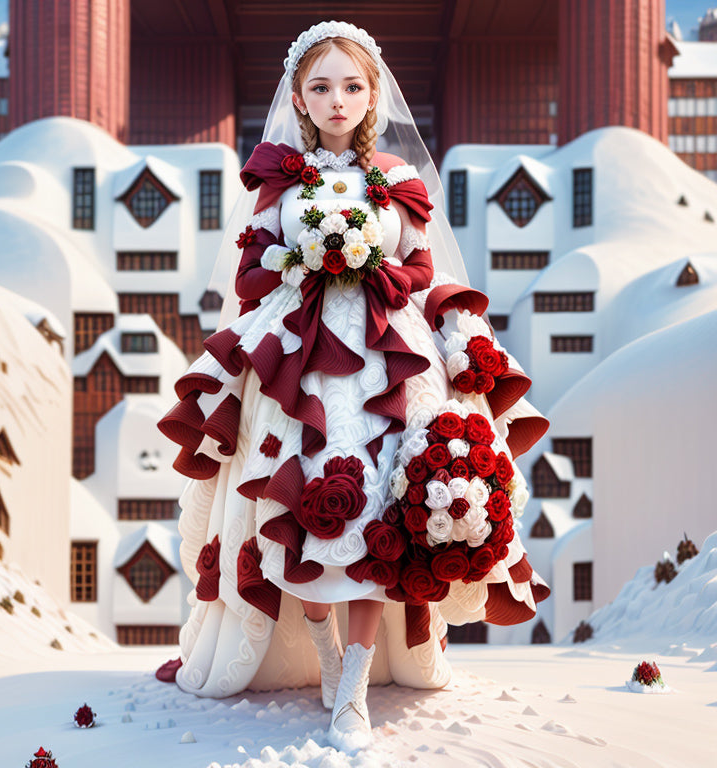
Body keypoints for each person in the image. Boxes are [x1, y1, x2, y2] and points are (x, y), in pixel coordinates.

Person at [156, 20, 550, 752]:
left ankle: (357, 685)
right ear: (299, 101)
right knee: (302, 513)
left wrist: (370, 264)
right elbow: (248, 275)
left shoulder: (395, 183)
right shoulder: (277, 183)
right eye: (320, 87)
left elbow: (423, 269)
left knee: (377, 520)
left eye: (351, 86)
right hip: (299, 362)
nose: (337, 100)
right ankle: (328, 654)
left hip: (387, 361)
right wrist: (306, 261)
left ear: (372, 97)